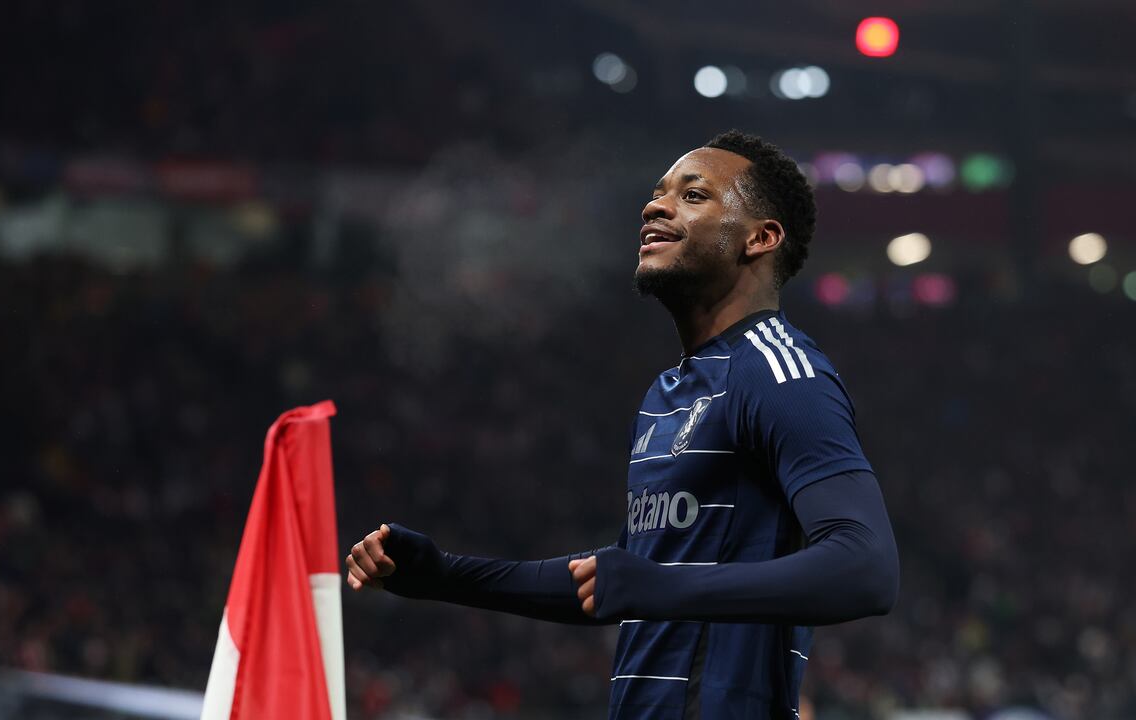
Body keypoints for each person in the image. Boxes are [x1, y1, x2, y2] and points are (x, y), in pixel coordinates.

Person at [346, 130, 899, 719]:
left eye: (692, 195)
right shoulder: (668, 392)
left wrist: (661, 588)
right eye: (657, 193)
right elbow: (616, 578)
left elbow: (865, 567)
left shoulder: (782, 374)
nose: (653, 206)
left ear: (760, 238)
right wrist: (444, 575)